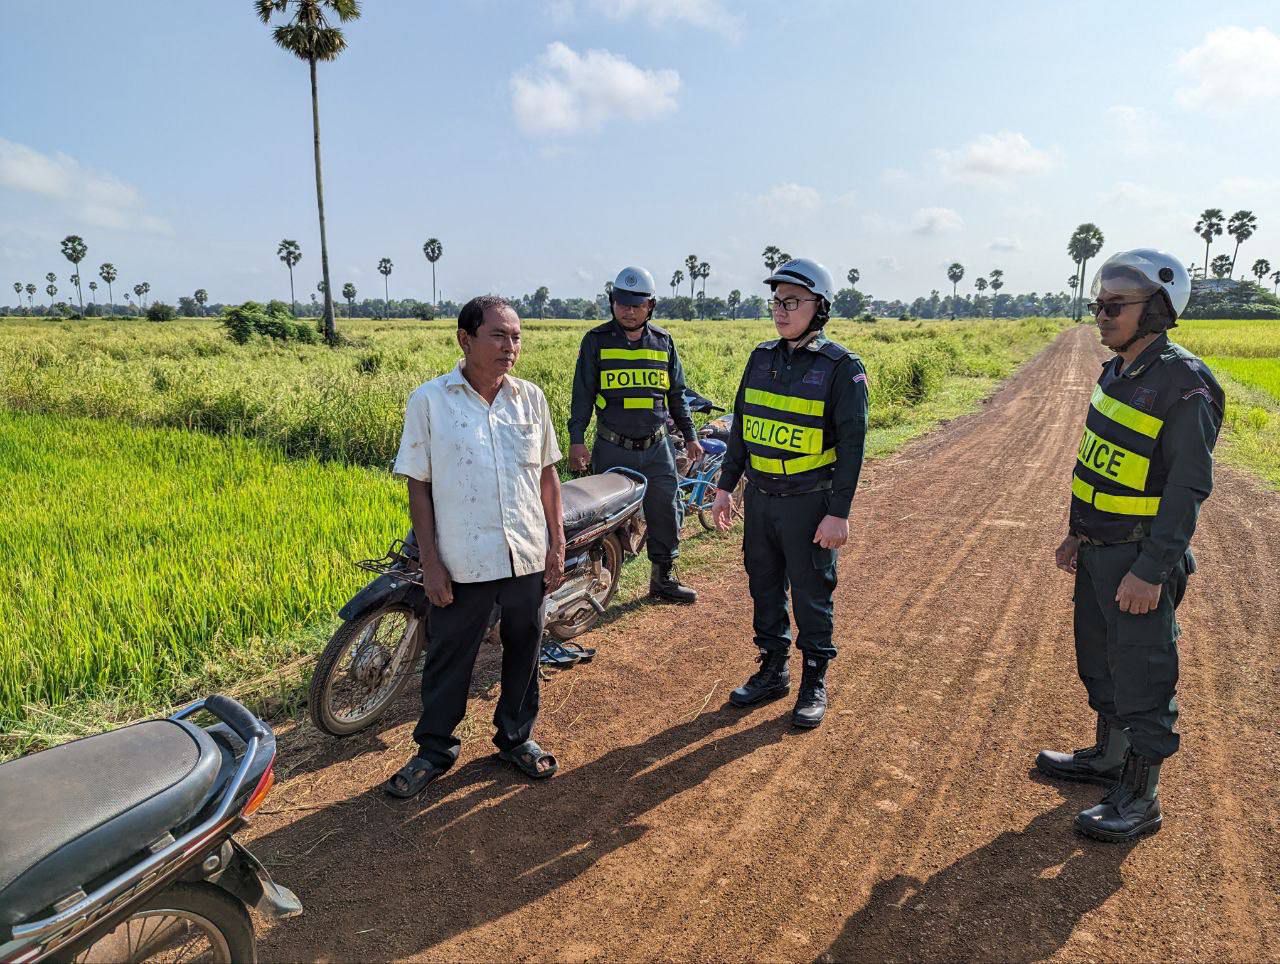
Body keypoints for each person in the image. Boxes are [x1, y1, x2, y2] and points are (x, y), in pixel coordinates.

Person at [1039, 249, 1224, 842]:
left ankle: (1142, 799)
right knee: (1100, 661)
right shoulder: (1116, 372)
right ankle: (1109, 758)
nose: (1102, 315)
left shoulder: (1185, 385)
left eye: (1115, 305)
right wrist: (1077, 531)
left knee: (1143, 674)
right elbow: (1097, 461)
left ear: (1159, 309)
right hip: (1099, 548)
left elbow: (1188, 489)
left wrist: (1152, 570)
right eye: (1099, 304)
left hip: (1138, 557)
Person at [385, 295, 565, 798]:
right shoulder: (430, 401)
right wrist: (431, 562)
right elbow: (418, 485)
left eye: (517, 337)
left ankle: (516, 738)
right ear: (465, 339)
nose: (511, 347)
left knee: (525, 646)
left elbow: (547, 475)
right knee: (451, 655)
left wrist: (556, 543)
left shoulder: (531, 398)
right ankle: (434, 750)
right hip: (464, 559)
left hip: (525, 551)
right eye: (499, 335)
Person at [711, 258, 869, 728]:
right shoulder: (761, 358)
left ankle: (813, 680)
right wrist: (725, 487)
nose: (780, 310)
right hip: (760, 499)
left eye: (792, 301)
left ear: (820, 306)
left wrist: (839, 512)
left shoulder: (841, 368)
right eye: (776, 301)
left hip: (809, 502)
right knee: (764, 586)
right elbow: (743, 427)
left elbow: (853, 447)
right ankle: (772, 670)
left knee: (811, 593)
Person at [568, 266, 703, 603]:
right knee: (604, 519)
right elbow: (582, 395)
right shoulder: (596, 341)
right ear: (612, 303)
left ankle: (663, 579)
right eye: (622, 303)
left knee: (666, 511)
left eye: (636, 304)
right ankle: (598, 584)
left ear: (650, 306)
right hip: (613, 447)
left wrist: (690, 436)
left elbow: (676, 396)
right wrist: (576, 440)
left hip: (657, 448)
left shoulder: (663, 342)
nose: (628, 311)